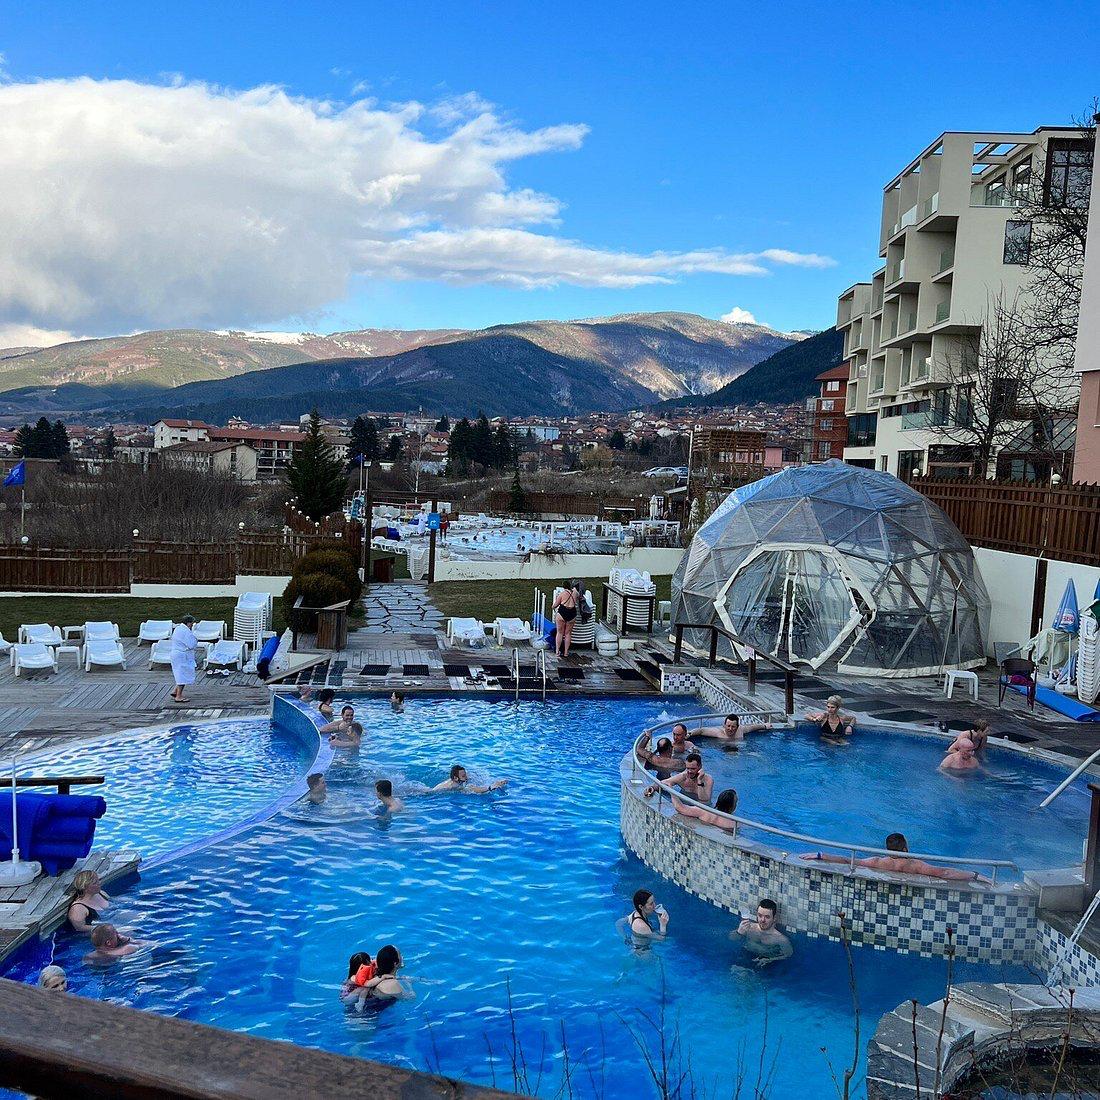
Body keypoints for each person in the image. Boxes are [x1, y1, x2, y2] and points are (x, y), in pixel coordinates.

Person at [801, 833, 992, 885]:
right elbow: (945, 873)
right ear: (906, 848)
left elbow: (847, 860)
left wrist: (820, 855)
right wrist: (974, 875)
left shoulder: (878, 862)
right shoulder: (915, 866)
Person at [732, 899, 793, 967]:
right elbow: (731, 939)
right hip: (745, 956)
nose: (762, 920)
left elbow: (788, 955)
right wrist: (739, 932)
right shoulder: (749, 928)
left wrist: (770, 959)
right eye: (760, 915)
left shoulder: (781, 939)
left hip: (766, 963)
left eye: (767, 917)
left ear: (774, 918)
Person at [644, 752, 713, 805]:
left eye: (693, 769)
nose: (689, 771)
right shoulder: (683, 777)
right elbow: (663, 783)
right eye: (687, 768)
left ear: (700, 767)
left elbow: (704, 800)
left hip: (702, 807)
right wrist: (652, 788)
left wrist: (699, 780)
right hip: (683, 804)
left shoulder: (708, 779)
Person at [672, 788, 738, 831]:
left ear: (718, 801)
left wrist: (671, 791)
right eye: (736, 802)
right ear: (732, 806)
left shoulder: (704, 812)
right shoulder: (733, 824)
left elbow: (679, 807)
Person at [169, 615, 198, 703]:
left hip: (175, 654)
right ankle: (179, 696)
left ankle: (175, 691)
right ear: (189, 623)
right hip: (182, 656)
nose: (193, 625)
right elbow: (191, 644)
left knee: (180, 673)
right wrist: (195, 640)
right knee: (183, 675)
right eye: (192, 623)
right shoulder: (186, 632)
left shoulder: (178, 628)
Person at [694, 714, 772, 743]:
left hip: (739, 748)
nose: (730, 729)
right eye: (728, 726)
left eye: (733, 726)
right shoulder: (718, 732)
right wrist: (689, 733)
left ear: (737, 727)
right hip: (724, 748)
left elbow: (752, 727)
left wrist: (764, 726)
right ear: (724, 725)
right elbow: (701, 731)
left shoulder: (741, 730)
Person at [432, 764, 507, 793]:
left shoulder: (459, 779)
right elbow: (473, 789)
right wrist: (490, 787)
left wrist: (498, 782)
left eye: (466, 774)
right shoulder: (454, 785)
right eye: (463, 776)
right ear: (455, 778)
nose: (466, 777)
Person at [553, 582, 579, 658]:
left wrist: (553, 606)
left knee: (560, 633)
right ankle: (566, 652)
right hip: (572, 613)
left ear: (563, 587)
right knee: (568, 634)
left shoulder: (562, 594)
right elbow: (578, 596)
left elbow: (555, 605)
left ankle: (557, 651)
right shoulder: (575, 593)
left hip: (562, 612)